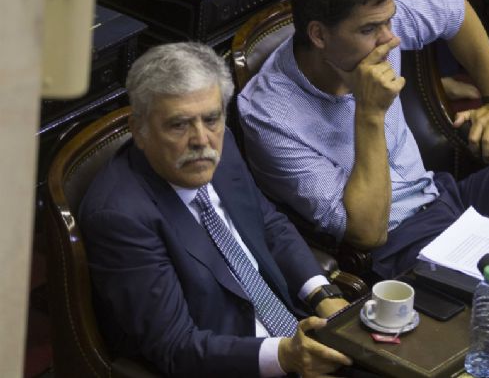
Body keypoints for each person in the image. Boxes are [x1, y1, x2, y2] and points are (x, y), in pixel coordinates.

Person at [237, 0, 489, 278]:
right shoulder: (269, 115)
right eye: (370, 29)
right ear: (319, 35)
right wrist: (369, 113)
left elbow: (452, 7)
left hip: (444, 196)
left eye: (389, 20)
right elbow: (368, 233)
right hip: (398, 244)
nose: (390, 38)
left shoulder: (379, 24)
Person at [79, 42, 352, 377]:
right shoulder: (119, 217)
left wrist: (322, 295)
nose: (201, 140)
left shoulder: (222, 148)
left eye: (211, 119)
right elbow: (174, 347)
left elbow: (268, 224)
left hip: (296, 330)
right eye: (178, 125)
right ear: (139, 130)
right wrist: (285, 356)